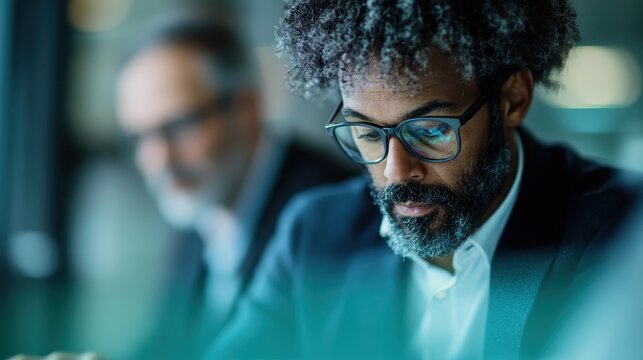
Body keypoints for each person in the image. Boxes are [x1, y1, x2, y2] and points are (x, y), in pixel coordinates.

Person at [207, 1, 643, 359]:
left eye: (431, 131)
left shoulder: (621, 236)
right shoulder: (314, 235)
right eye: (367, 134)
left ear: (513, 100)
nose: (396, 171)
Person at [115, 11, 355, 359]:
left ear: (246, 107)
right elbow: (164, 345)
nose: (159, 160)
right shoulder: (200, 206)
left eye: (180, 126)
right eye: (139, 138)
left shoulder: (329, 214)